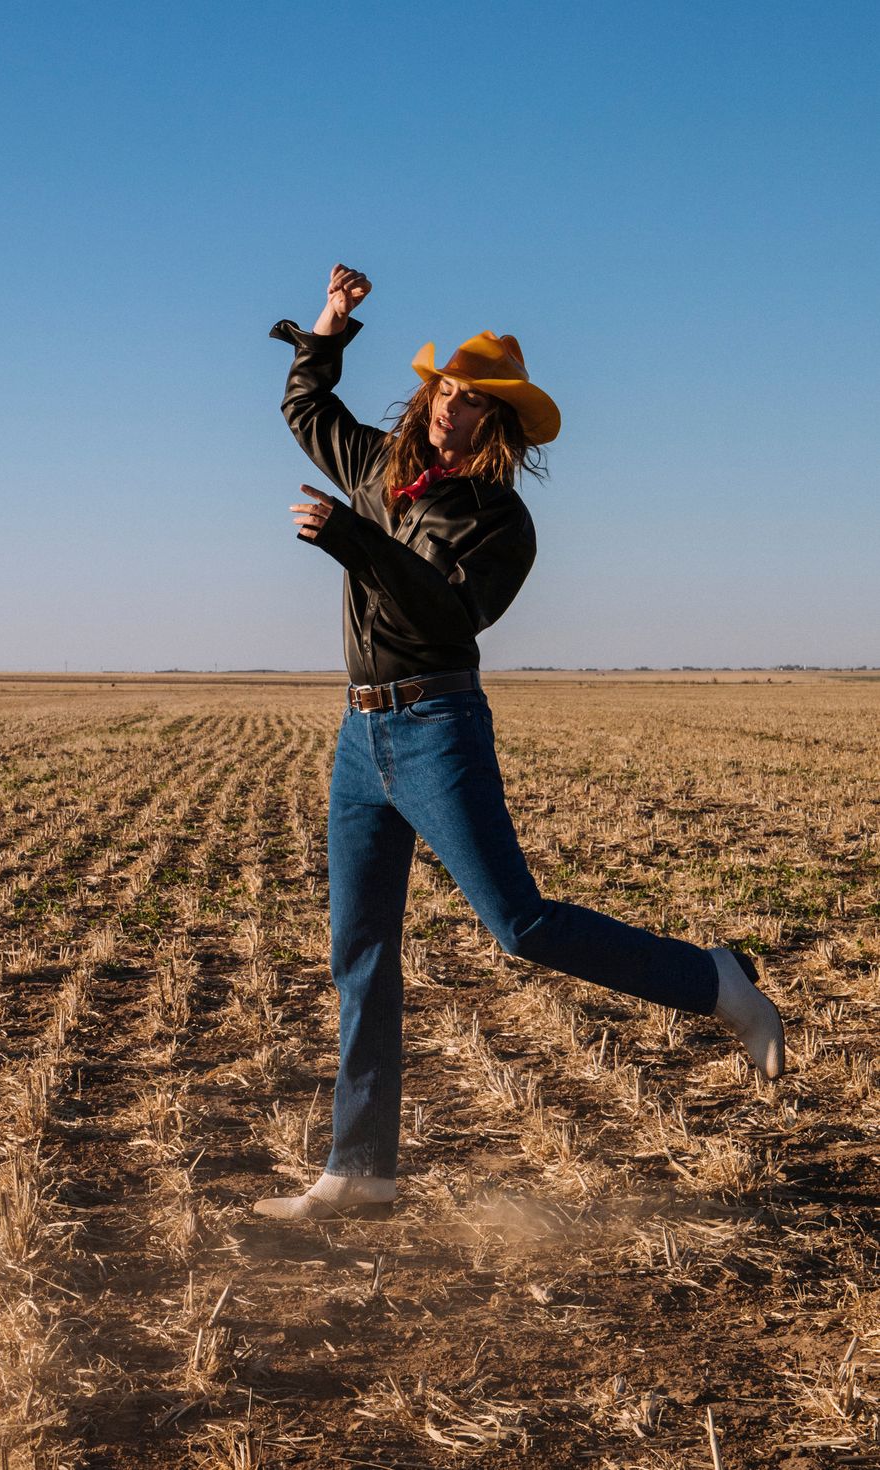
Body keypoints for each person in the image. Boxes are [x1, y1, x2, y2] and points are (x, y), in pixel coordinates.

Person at [254, 264, 785, 1222]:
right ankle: (361, 1165)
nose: (453, 409)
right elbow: (305, 404)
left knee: (520, 926)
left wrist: (354, 545)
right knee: (361, 946)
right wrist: (328, 328)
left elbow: (451, 617)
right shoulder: (378, 470)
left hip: (436, 726)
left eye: (475, 403)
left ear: (500, 426)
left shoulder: (501, 520)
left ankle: (716, 982)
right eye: (447, 390)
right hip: (358, 730)